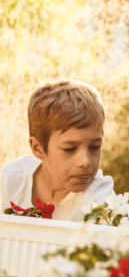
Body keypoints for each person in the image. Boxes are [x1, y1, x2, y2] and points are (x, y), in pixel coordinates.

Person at [0, 79, 115, 222]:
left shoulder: (100, 197)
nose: (85, 162)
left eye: (95, 147)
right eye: (70, 149)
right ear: (38, 148)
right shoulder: (12, 181)